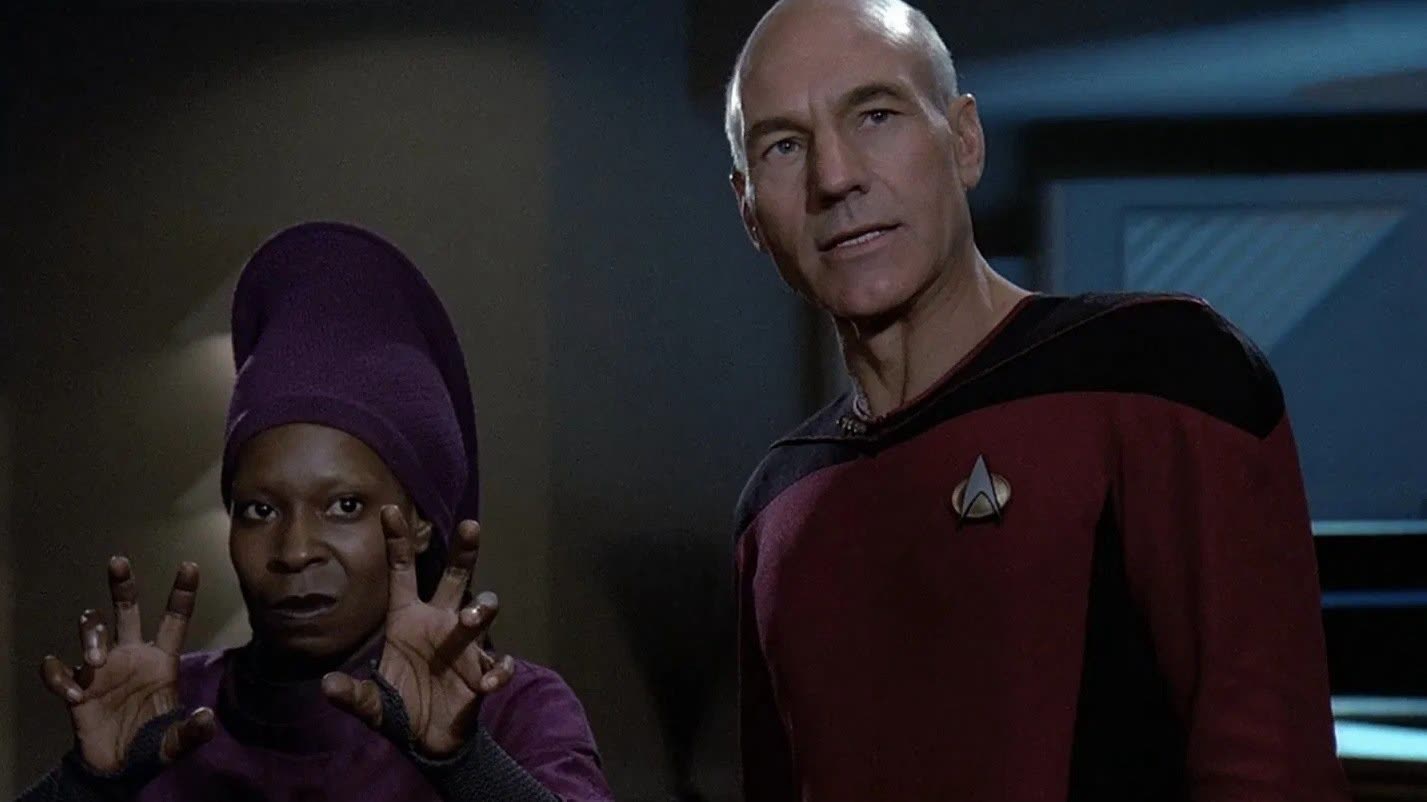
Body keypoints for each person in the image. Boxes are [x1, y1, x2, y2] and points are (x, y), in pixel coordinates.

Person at [723, 1, 1351, 799]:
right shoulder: (776, 507)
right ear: (749, 209)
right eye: (783, 145)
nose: (834, 176)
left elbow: (1273, 772)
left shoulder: (1158, 372)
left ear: (964, 141)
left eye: (875, 115)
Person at [18, 222, 614, 802]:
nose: (295, 550)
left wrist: (465, 765)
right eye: (259, 510)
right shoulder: (162, 714)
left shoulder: (510, 708)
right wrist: (86, 786)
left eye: (345, 506)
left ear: (421, 521)